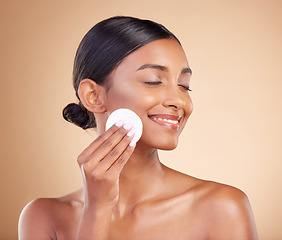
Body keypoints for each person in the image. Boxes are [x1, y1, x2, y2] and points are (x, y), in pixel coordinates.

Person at [18, 16, 258, 240]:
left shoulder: (222, 207)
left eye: (184, 85)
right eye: (153, 81)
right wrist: (97, 209)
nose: (180, 101)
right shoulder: (43, 217)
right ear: (93, 96)